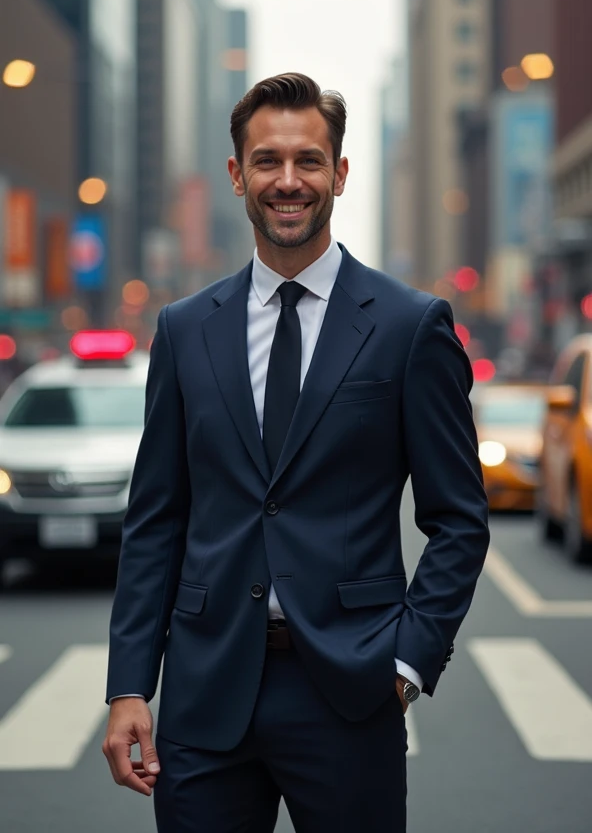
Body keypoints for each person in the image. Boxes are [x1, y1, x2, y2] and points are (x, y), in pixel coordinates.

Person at [103, 73, 489, 832]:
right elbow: (156, 520)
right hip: (206, 695)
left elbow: (460, 519)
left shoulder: (410, 328)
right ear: (237, 173)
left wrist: (407, 665)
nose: (288, 181)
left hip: (350, 693)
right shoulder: (185, 331)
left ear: (340, 174)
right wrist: (127, 687)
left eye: (309, 160)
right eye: (268, 160)